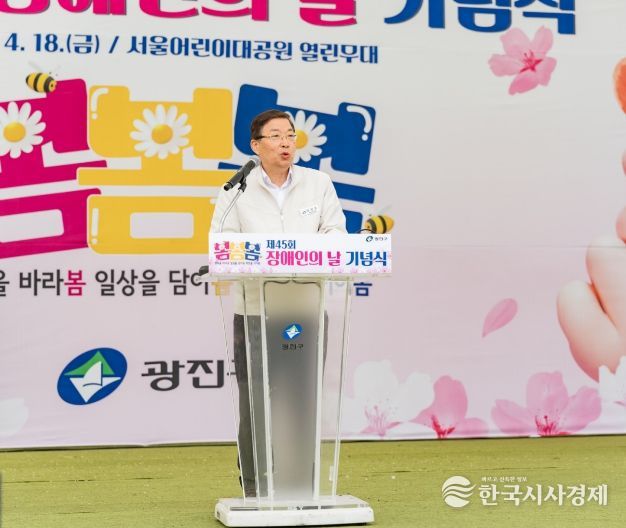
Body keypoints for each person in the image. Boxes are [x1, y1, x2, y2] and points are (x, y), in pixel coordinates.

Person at [209, 109, 347, 497]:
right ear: (256, 145)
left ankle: (301, 484)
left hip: (305, 308)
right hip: (255, 310)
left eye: (290, 135)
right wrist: (269, 255)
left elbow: (336, 235)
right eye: (275, 136)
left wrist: (298, 254)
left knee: (302, 398)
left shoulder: (318, 183)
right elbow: (222, 245)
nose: (286, 142)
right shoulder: (236, 190)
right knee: (254, 401)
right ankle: (255, 487)